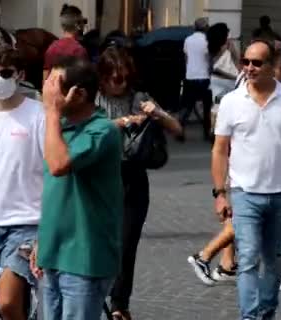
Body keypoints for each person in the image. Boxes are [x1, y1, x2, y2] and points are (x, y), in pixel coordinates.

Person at [212, 39, 281, 319]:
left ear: (272, 66)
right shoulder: (231, 102)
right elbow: (220, 149)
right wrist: (220, 193)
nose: (250, 68)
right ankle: (250, 316)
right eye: (246, 62)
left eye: (257, 63)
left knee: (273, 261)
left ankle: (266, 312)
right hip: (245, 193)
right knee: (247, 260)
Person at [30, 57, 123, 320]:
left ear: (78, 94)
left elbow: (59, 165)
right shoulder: (58, 129)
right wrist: (42, 239)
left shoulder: (102, 130)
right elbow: (54, 192)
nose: (46, 91)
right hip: (53, 254)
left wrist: (52, 113)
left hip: (85, 258)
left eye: (52, 85)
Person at [95, 47, 182, 320]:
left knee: (126, 244)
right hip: (98, 178)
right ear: (103, 76)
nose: (119, 84)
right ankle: (95, 297)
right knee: (97, 242)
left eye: (124, 78)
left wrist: (158, 113)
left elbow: (177, 130)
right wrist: (118, 123)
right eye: (114, 78)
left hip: (131, 177)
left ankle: (120, 304)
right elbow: (77, 129)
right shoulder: (92, 98)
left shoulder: (139, 98)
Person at [0, 46, 45, 320]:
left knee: (8, 302)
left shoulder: (38, 114)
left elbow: (53, 172)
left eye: (5, 73)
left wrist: (46, 230)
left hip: (26, 225)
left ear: (20, 75)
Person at [181, 17, 213, 141]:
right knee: (206, 107)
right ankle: (206, 133)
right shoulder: (207, 41)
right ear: (205, 28)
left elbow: (186, 58)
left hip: (190, 76)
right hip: (204, 77)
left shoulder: (188, 40)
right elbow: (209, 58)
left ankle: (179, 130)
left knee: (187, 106)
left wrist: (188, 70)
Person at [42, 4, 89, 81]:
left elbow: (45, 78)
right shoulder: (79, 50)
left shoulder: (51, 48)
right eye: (82, 22)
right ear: (77, 25)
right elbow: (84, 80)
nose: (83, 25)